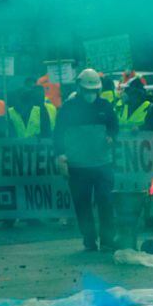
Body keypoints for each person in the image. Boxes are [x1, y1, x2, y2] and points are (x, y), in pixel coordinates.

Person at [53, 68, 119, 252]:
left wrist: (111, 137)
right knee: (82, 204)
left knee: (105, 201)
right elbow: (58, 133)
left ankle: (107, 238)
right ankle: (89, 238)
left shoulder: (105, 106)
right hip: (78, 165)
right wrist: (60, 155)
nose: (90, 94)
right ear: (79, 88)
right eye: (87, 90)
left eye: (93, 91)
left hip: (102, 164)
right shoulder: (68, 108)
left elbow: (114, 126)